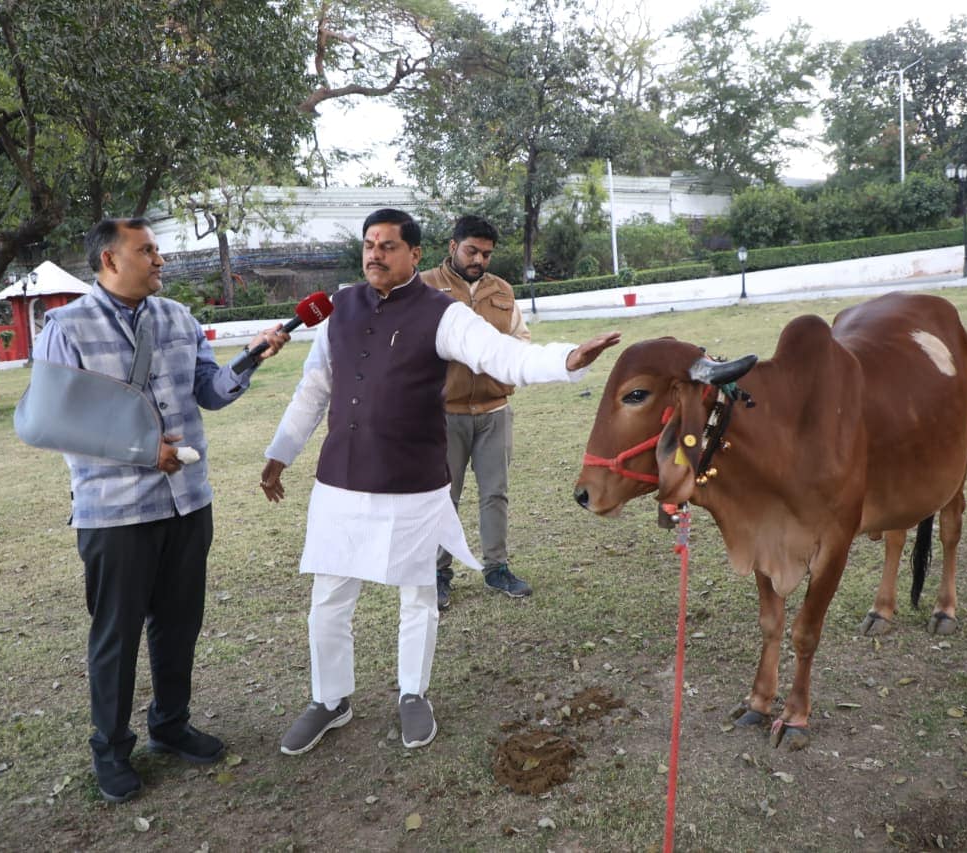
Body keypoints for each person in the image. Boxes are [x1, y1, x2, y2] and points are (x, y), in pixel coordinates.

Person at [260, 208, 619, 754]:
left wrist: (566, 360)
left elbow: (501, 354)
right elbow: (315, 389)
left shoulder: (442, 313)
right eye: (369, 244)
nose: (375, 253)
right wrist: (280, 453)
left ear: (414, 255)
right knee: (329, 596)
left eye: (387, 245)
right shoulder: (340, 307)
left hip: (413, 480)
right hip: (342, 479)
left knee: (418, 596)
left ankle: (413, 694)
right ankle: (329, 700)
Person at [30, 218, 288, 803]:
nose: (159, 261)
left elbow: (210, 390)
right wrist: (145, 451)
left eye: (158, 251)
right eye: (145, 251)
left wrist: (250, 358)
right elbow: (50, 423)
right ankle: (110, 749)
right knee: (116, 636)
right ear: (108, 260)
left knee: (178, 624)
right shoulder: (65, 328)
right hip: (113, 513)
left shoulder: (177, 318)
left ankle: (170, 726)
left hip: (187, 503)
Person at [422, 215, 531, 611]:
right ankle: (437, 574)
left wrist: (508, 370)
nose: (479, 260)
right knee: (441, 497)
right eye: (472, 250)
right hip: (443, 414)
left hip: (494, 410)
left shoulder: (502, 291)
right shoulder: (424, 288)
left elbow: (520, 339)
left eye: (486, 254)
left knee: (495, 493)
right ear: (452, 246)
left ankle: (496, 567)